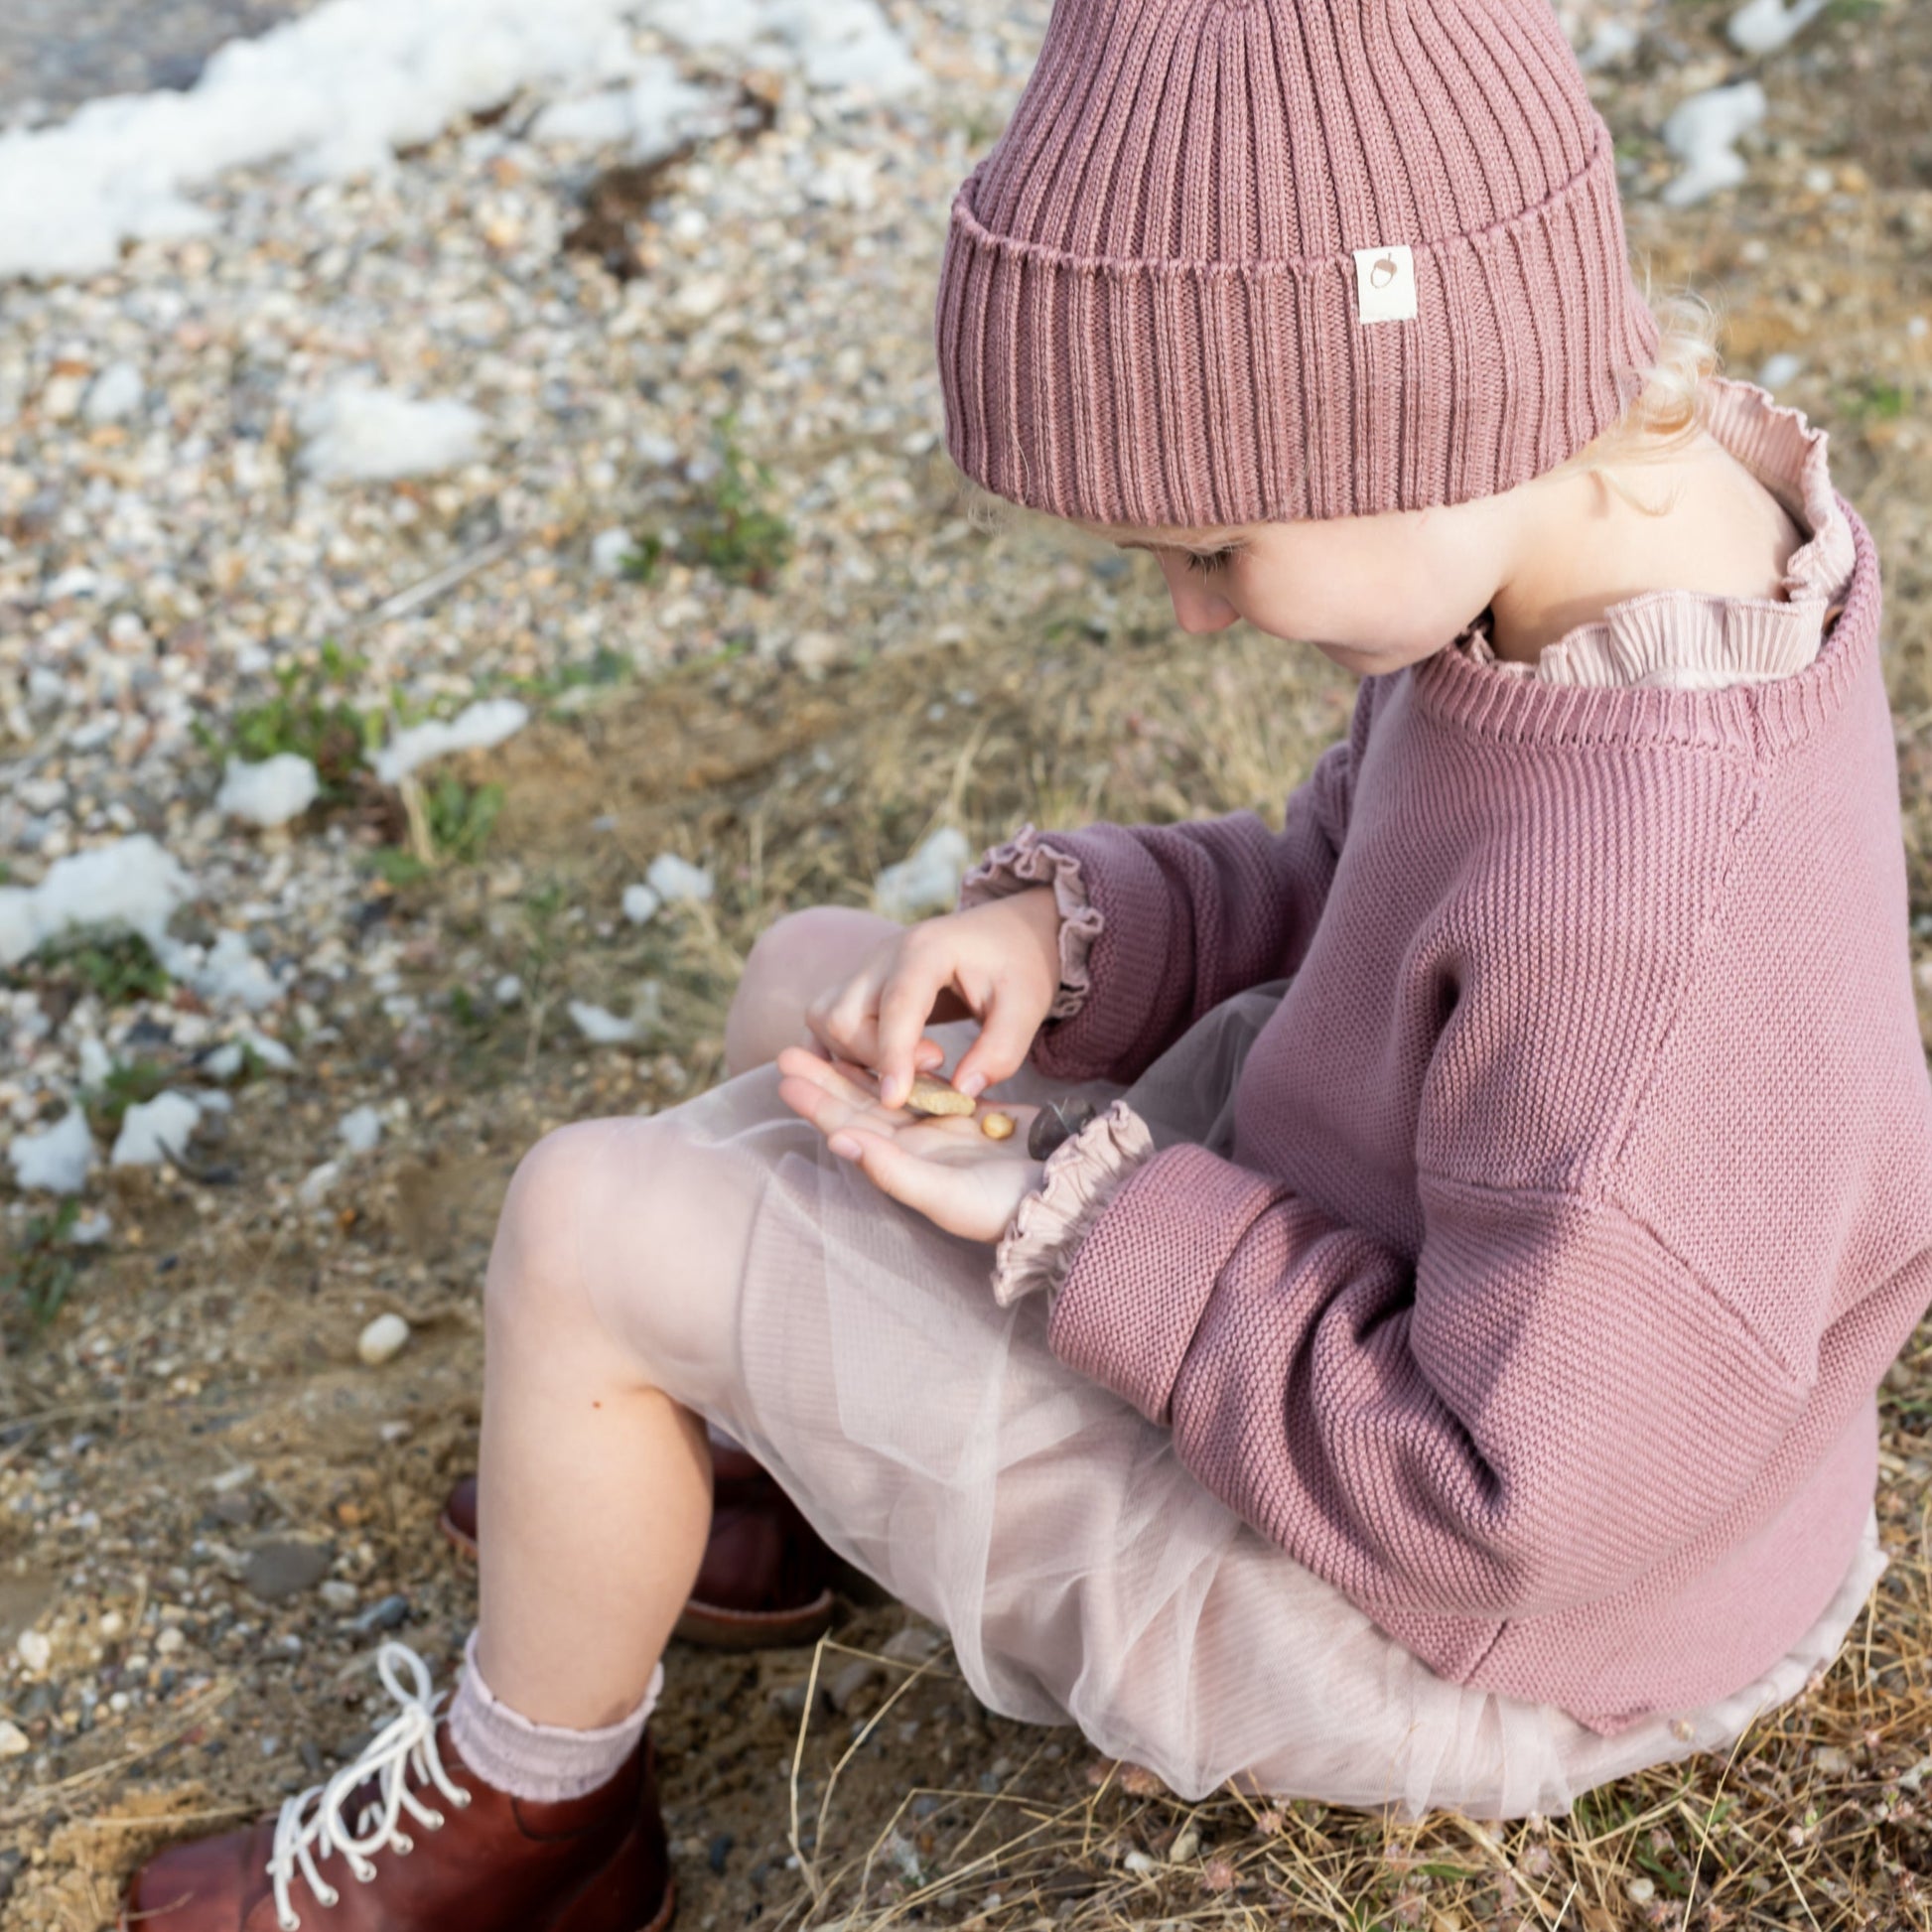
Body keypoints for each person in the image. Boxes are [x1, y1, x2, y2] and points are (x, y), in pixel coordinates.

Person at [122, 0, 1932, 1924]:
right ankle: (778, 1476)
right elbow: (1349, 876)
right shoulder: (1591, 566)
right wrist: (1057, 940)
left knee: (584, 1224)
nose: (1183, 606)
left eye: (1217, 545)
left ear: (1424, 410)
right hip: (1414, 1334)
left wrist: (1071, 1220)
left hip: (1472, 1634)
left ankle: (529, 1823)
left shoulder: (1651, 894)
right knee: (821, 984)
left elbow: (1512, 1504)